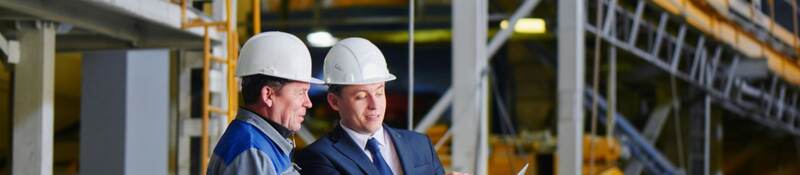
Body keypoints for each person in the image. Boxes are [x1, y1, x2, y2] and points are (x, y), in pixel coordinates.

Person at [295, 38, 449, 175]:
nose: (374, 105)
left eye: (379, 92)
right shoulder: (318, 157)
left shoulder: (419, 145)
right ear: (334, 101)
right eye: (361, 96)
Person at [207, 31, 323, 175]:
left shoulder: (262, 144)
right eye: (301, 92)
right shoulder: (252, 152)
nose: (308, 103)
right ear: (268, 95)